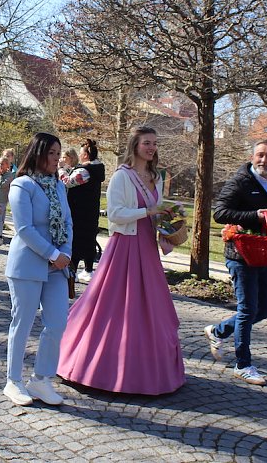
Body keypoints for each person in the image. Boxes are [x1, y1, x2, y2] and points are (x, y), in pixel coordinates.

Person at [57, 126, 186, 395]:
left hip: (147, 248)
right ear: (135, 145)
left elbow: (156, 210)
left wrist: (170, 212)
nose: (151, 147)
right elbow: (115, 214)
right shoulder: (122, 176)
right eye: (146, 143)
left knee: (150, 309)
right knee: (113, 306)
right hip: (124, 247)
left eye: (154, 143)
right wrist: (148, 210)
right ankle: (92, 364)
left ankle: (147, 370)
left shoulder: (155, 176)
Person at [204, 140, 267, 386]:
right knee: (247, 310)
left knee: (263, 310)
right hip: (241, 255)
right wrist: (254, 216)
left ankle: (218, 332)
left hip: (264, 254)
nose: (264, 160)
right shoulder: (240, 181)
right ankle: (243, 365)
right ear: (252, 157)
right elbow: (220, 212)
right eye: (260, 155)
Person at [3, 132, 73, 406]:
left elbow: (68, 223)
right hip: (28, 265)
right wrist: (53, 254)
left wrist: (65, 253)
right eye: (51, 153)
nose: (56, 159)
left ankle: (41, 379)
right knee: (22, 323)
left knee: (57, 323)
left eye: (58, 153)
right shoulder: (22, 185)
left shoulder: (59, 187)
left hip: (57, 267)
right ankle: (13, 381)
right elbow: (24, 228)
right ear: (38, 154)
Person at [66, 139, 106, 283]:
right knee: (89, 241)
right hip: (90, 211)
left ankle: (73, 271)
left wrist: (61, 170)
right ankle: (88, 270)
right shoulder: (97, 169)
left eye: (81, 153)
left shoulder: (84, 171)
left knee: (76, 241)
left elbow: (67, 182)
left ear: (85, 155)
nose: (79, 155)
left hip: (79, 211)